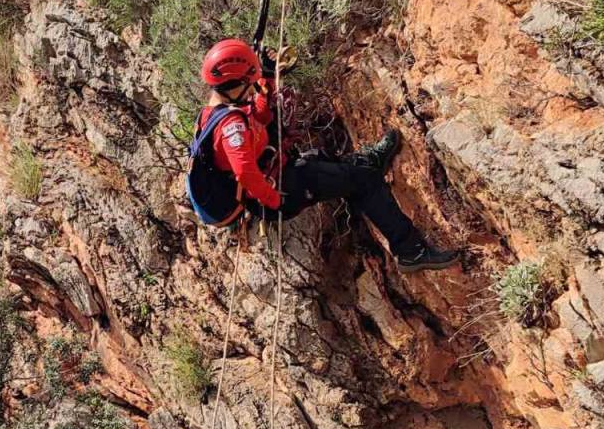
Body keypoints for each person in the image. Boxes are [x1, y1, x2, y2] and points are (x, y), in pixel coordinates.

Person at [195, 38, 459, 272]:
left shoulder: (213, 113)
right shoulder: (231, 127)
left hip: (282, 174)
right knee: (364, 182)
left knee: (321, 158)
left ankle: (368, 164)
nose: (252, 89)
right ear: (234, 83)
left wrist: (267, 77)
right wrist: (275, 200)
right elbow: (245, 172)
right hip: (280, 191)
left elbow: (261, 116)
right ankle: (410, 251)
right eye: (248, 83)